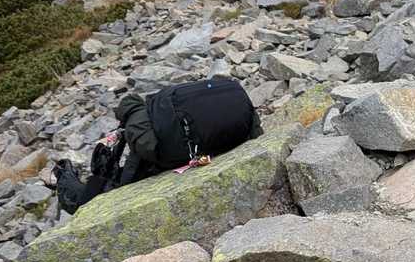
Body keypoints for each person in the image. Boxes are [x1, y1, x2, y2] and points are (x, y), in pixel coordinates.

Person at [52, 75, 262, 213]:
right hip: (235, 102)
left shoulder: (139, 128)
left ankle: (65, 179)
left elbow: (135, 167)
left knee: (127, 174)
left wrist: (117, 190)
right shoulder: (152, 106)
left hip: (183, 139)